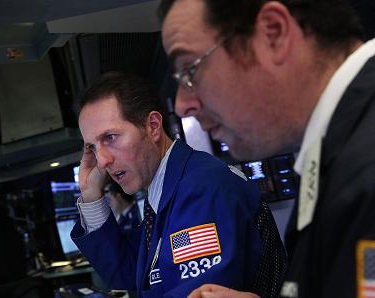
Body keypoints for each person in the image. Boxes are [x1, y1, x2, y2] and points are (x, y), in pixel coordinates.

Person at [158, 0, 375, 297]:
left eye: (190, 71)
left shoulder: (365, 167)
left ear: (273, 33)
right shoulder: (340, 149)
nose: (183, 105)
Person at [70, 72, 286, 297]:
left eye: (110, 137)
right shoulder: (165, 191)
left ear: (153, 126)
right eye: (92, 147)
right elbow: (126, 272)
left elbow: (200, 293)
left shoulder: (199, 189)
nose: (102, 161)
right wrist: (90, 194)